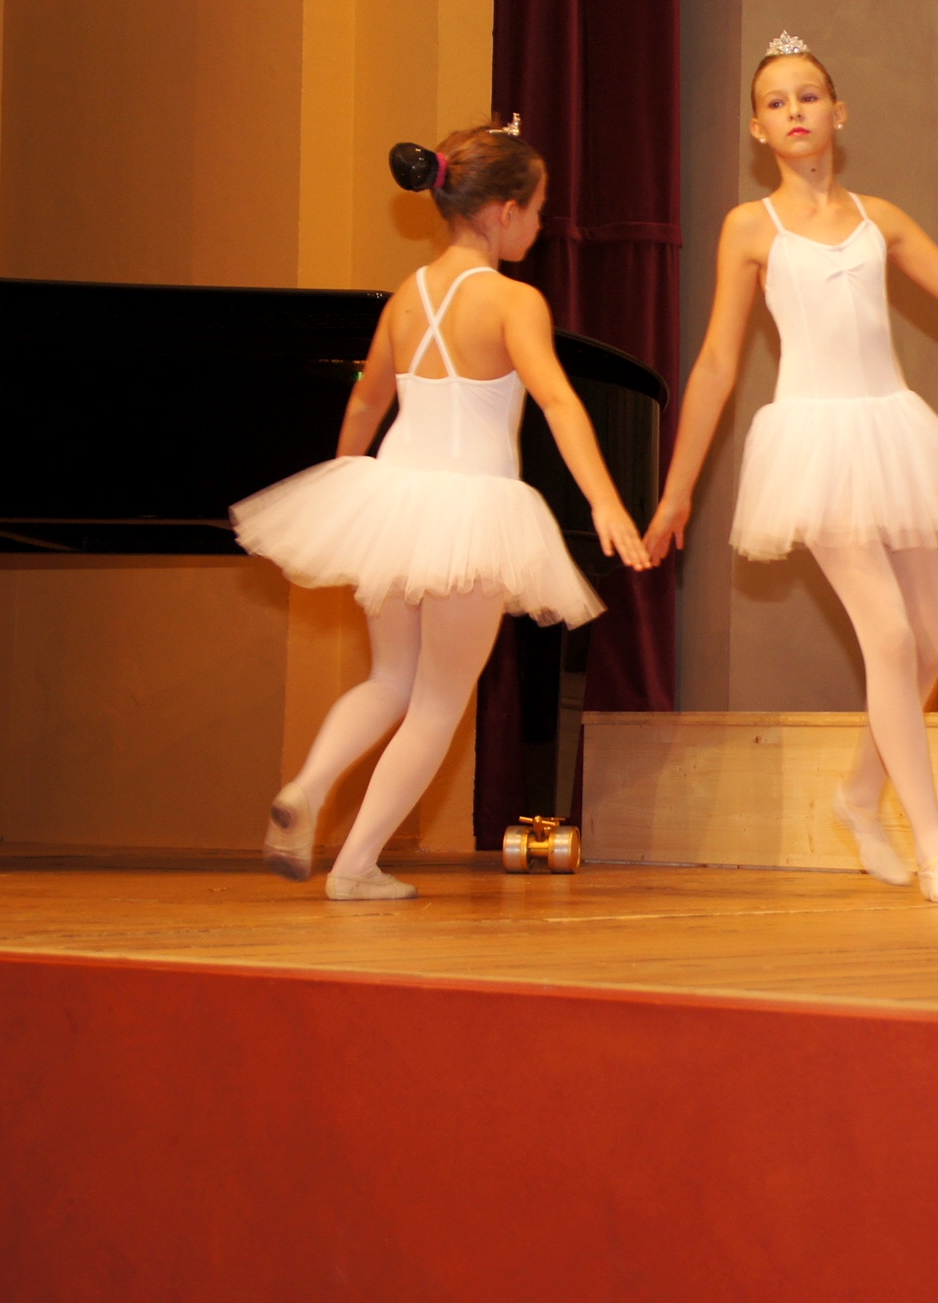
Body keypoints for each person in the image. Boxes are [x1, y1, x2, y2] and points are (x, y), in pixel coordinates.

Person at [642, 36, 938, 905]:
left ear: (838, 111)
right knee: (887, 637)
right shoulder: (751, 228)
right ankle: (935, 848)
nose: (794, 111)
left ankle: (859, 796)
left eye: (808, 95)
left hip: (891, 432)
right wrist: (677, 490)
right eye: (776, 102)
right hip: (814, 443)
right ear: (758, 129)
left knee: (929, 646)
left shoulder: (880, 219)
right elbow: (717, 362)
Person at [236, 121, 652, 899]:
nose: (540, 225)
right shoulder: (513, 301)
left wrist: (346, 485)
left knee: (388, 678)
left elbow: (367, 401)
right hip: (470, 509)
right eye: (538, 210)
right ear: (503, 211)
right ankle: (355, 866)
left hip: (394, 497)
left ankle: (307, 786)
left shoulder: (408, 295)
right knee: (435, 702)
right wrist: (605, 500)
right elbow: (559, 401)